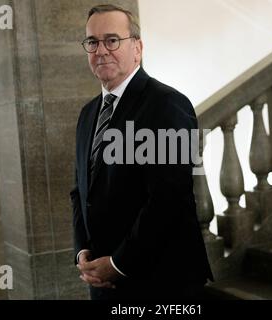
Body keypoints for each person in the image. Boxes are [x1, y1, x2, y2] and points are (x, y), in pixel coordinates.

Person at [70, 4, 213, 301]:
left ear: (137, 47)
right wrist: (83, 252)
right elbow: (80, 192)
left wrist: (118, 264)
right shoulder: (87, 114)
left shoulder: (168, 105)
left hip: (160, 284)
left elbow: (169, 199)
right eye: (92, 42)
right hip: (103, 283)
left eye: (112, 40)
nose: (101, 50)